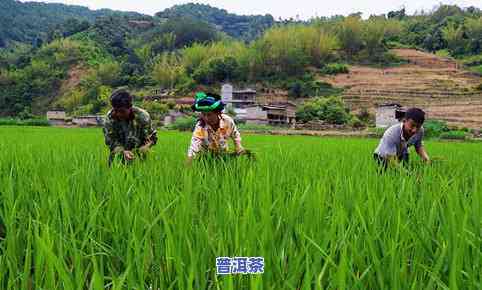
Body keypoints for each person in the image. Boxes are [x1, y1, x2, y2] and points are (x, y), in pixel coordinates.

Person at [186, 92, 245, 164]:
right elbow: (194, 146)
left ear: (218, 113)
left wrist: (238, 146)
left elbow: (235, 134)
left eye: (209, 115)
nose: (206, 118)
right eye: (204, 115)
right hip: (205, 158)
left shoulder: (227, 121)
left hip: (223, 155)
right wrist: (188, 164)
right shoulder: (200, 126)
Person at [103, 89, 157, 165]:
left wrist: (146, 146)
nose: (118, 114)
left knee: (142, 173)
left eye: (122, 111)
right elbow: (110, 141)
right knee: (116, 174)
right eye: (115, 110)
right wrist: (122, 151)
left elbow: (152, 137)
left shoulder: (143, 116)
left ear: (130, 107)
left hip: (140, 158)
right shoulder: (110, 118)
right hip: (117, 158)